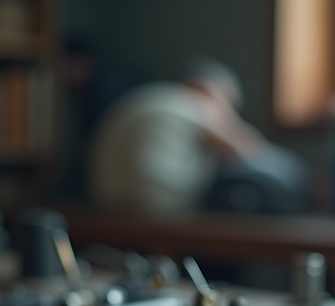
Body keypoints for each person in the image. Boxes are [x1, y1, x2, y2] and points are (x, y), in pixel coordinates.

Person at [88, 58, 303, 214]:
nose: (229, 113)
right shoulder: (192, 102)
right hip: (161, 211)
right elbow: (246, 150)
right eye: (228, 102)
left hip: (109, 205)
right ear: (207, 89)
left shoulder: (147, 97)